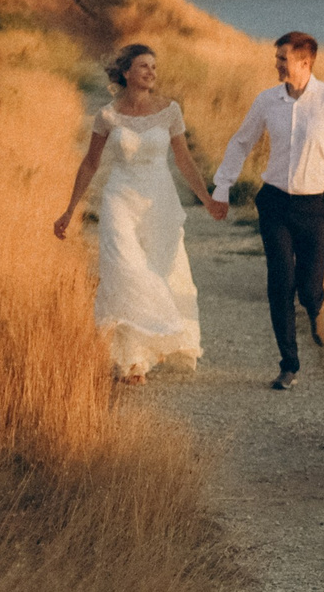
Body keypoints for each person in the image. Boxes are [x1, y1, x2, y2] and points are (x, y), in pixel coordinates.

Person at [208, 32, 324, 391]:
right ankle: (288, 364)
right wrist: (222, 186)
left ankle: (315, 309)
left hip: (314, 204)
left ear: (305, 63)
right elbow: (242, 141)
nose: (277, 64)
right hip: (274, 202)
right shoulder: (267, 101)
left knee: (308, 286)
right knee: (280, 284)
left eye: (283, 58)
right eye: (277, 58)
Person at [54, 44, 209, 385]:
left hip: (159, 201)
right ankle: (132, 361)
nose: (151, 72)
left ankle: (159, 340)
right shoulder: (107, 115)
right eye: (143, 66)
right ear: (126, 72)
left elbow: (183, 160)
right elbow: (90, 163)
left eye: (154, 66)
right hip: (119, 199)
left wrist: (208, 200)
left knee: (163, 268)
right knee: (125, 271)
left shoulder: (170, 111)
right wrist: (70, 209)